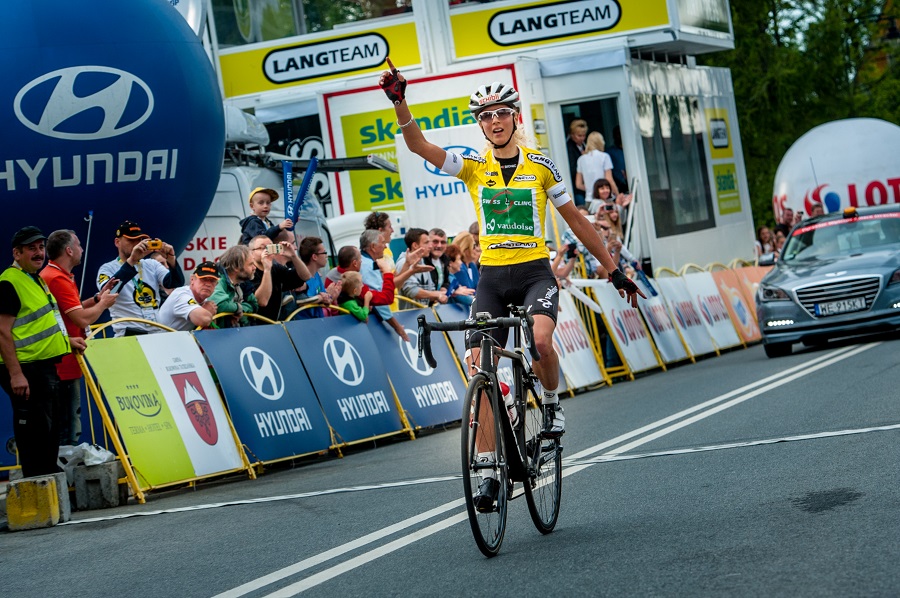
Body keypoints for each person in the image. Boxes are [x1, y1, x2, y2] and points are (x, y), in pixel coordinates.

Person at [379, 65, 643, 509]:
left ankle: (553, 404)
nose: (494, 121)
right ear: (480, 124)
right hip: (491, 280)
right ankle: (487, 468)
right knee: (479, 366)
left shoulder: (541, 165)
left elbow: (576, 219)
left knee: (540, 339)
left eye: (501, 113)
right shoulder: (474, 166)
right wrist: (400, 103)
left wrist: (613, 269)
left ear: (515, 117)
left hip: (534, 274)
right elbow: (419, 145)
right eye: (485, 116)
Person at [0, 227, 85, 477]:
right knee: (35, 432)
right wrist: (15, 374)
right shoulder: (9, 282)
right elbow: (3, 332)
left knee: (48, 431)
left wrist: (67, 341)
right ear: (17, 253)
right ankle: (38, 486)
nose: (39, 253)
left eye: (41, 247)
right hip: (26, 368)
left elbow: (40, 324)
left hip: (42, 367)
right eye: (31, 249)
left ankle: (49, 486)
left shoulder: (34, 278)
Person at [41, 230, 118, 446]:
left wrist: (96, 299)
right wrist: (103, 304)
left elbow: (73, 310)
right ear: (69, 250)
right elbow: (82, 319)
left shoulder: (56, 275)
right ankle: (67, 472)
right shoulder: (57, 278)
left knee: (66, 421)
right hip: (63, 364)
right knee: (67, 425)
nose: (82, 250)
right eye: (79, 245)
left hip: (63, 360)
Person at [97, 221, 184, 336]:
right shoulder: (107, 268)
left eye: (139, 240)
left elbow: (175, 283)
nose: (136, 244)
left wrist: (171, 258)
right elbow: (110, 291)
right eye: (130, 240)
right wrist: (132, 260)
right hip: (128, 335)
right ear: (117, 242)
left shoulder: (151, 264)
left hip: (156, 332)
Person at [359, 229, 424, 342]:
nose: (385, 247)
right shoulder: (369, 266)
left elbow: (394, 284)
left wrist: (408, 265)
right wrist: (397, 327)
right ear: (373, 246)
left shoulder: (367, 261)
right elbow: (381, 300)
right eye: (383, 243)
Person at [245, 235, 311, 321]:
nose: (267, 251)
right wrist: (267, 269)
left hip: (272, 324)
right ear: (251, 253)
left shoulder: (276, 269)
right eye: (262, 248)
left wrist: (294, 256)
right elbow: (262, 301)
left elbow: (305, 277)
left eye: (270, 247)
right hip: (251, 326)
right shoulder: (248, 272)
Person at [158, 261, 220, 331]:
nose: (208, 284)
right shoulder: (182, 295)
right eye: (204, 279)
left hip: (176, 339)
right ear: (192, 280)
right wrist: (207, 311)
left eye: (212, 281)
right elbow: (203, 319)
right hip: (159, 339)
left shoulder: (202, 299)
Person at [395, 228, 447, 306]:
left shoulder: (422, 261)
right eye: (426, 243)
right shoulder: (404, 262)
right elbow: (412, 291)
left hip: (422, 314)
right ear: (415, 245)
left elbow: (431, 289)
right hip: (407, 316)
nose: (430, 246)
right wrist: (437, 295)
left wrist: (441, 294)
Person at [209, 245, 258, 327]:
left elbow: (253, 304)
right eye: (251, 264)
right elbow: (219, 304)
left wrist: (240, 310)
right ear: (236, 267)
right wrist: (237, 308)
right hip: (219, 335)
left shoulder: (243, 281)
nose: (254, 267)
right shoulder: (218, 280)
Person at [293, 236, 336, 319]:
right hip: (304, 323)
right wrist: (321, 298)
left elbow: (324, 297)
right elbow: (303, 301)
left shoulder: (317, 275)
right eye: (324, 253)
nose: (326, 256)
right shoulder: (299, 277)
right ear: (314, 257)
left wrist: (330, 297)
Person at [575, 131, 618, 199]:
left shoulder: (581, 159)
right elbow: (609, 179)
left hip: (589, 198)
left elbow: (578, 185)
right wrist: (617, 195)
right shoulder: (604, 156)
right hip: (604, 198)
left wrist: (591, 190)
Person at [565, 118, 588, 205]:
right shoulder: (569, 148)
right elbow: (572, 168)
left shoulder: (585, 146)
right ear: (572, 135)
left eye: (584, 135)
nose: (582, 138)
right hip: (576, 188)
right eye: (579, 136)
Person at [426, 228, 450, 292]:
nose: (439, 245)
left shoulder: (445, 260)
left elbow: (446, 281)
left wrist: (444, 288)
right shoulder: (423, 261)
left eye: (443, 242)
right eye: (435, 242)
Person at [607, 125, 628, 194]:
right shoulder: (610, 152)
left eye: (620, 134)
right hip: (619, 185)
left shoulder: (631, 150)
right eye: (617, 134)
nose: (619, 137)